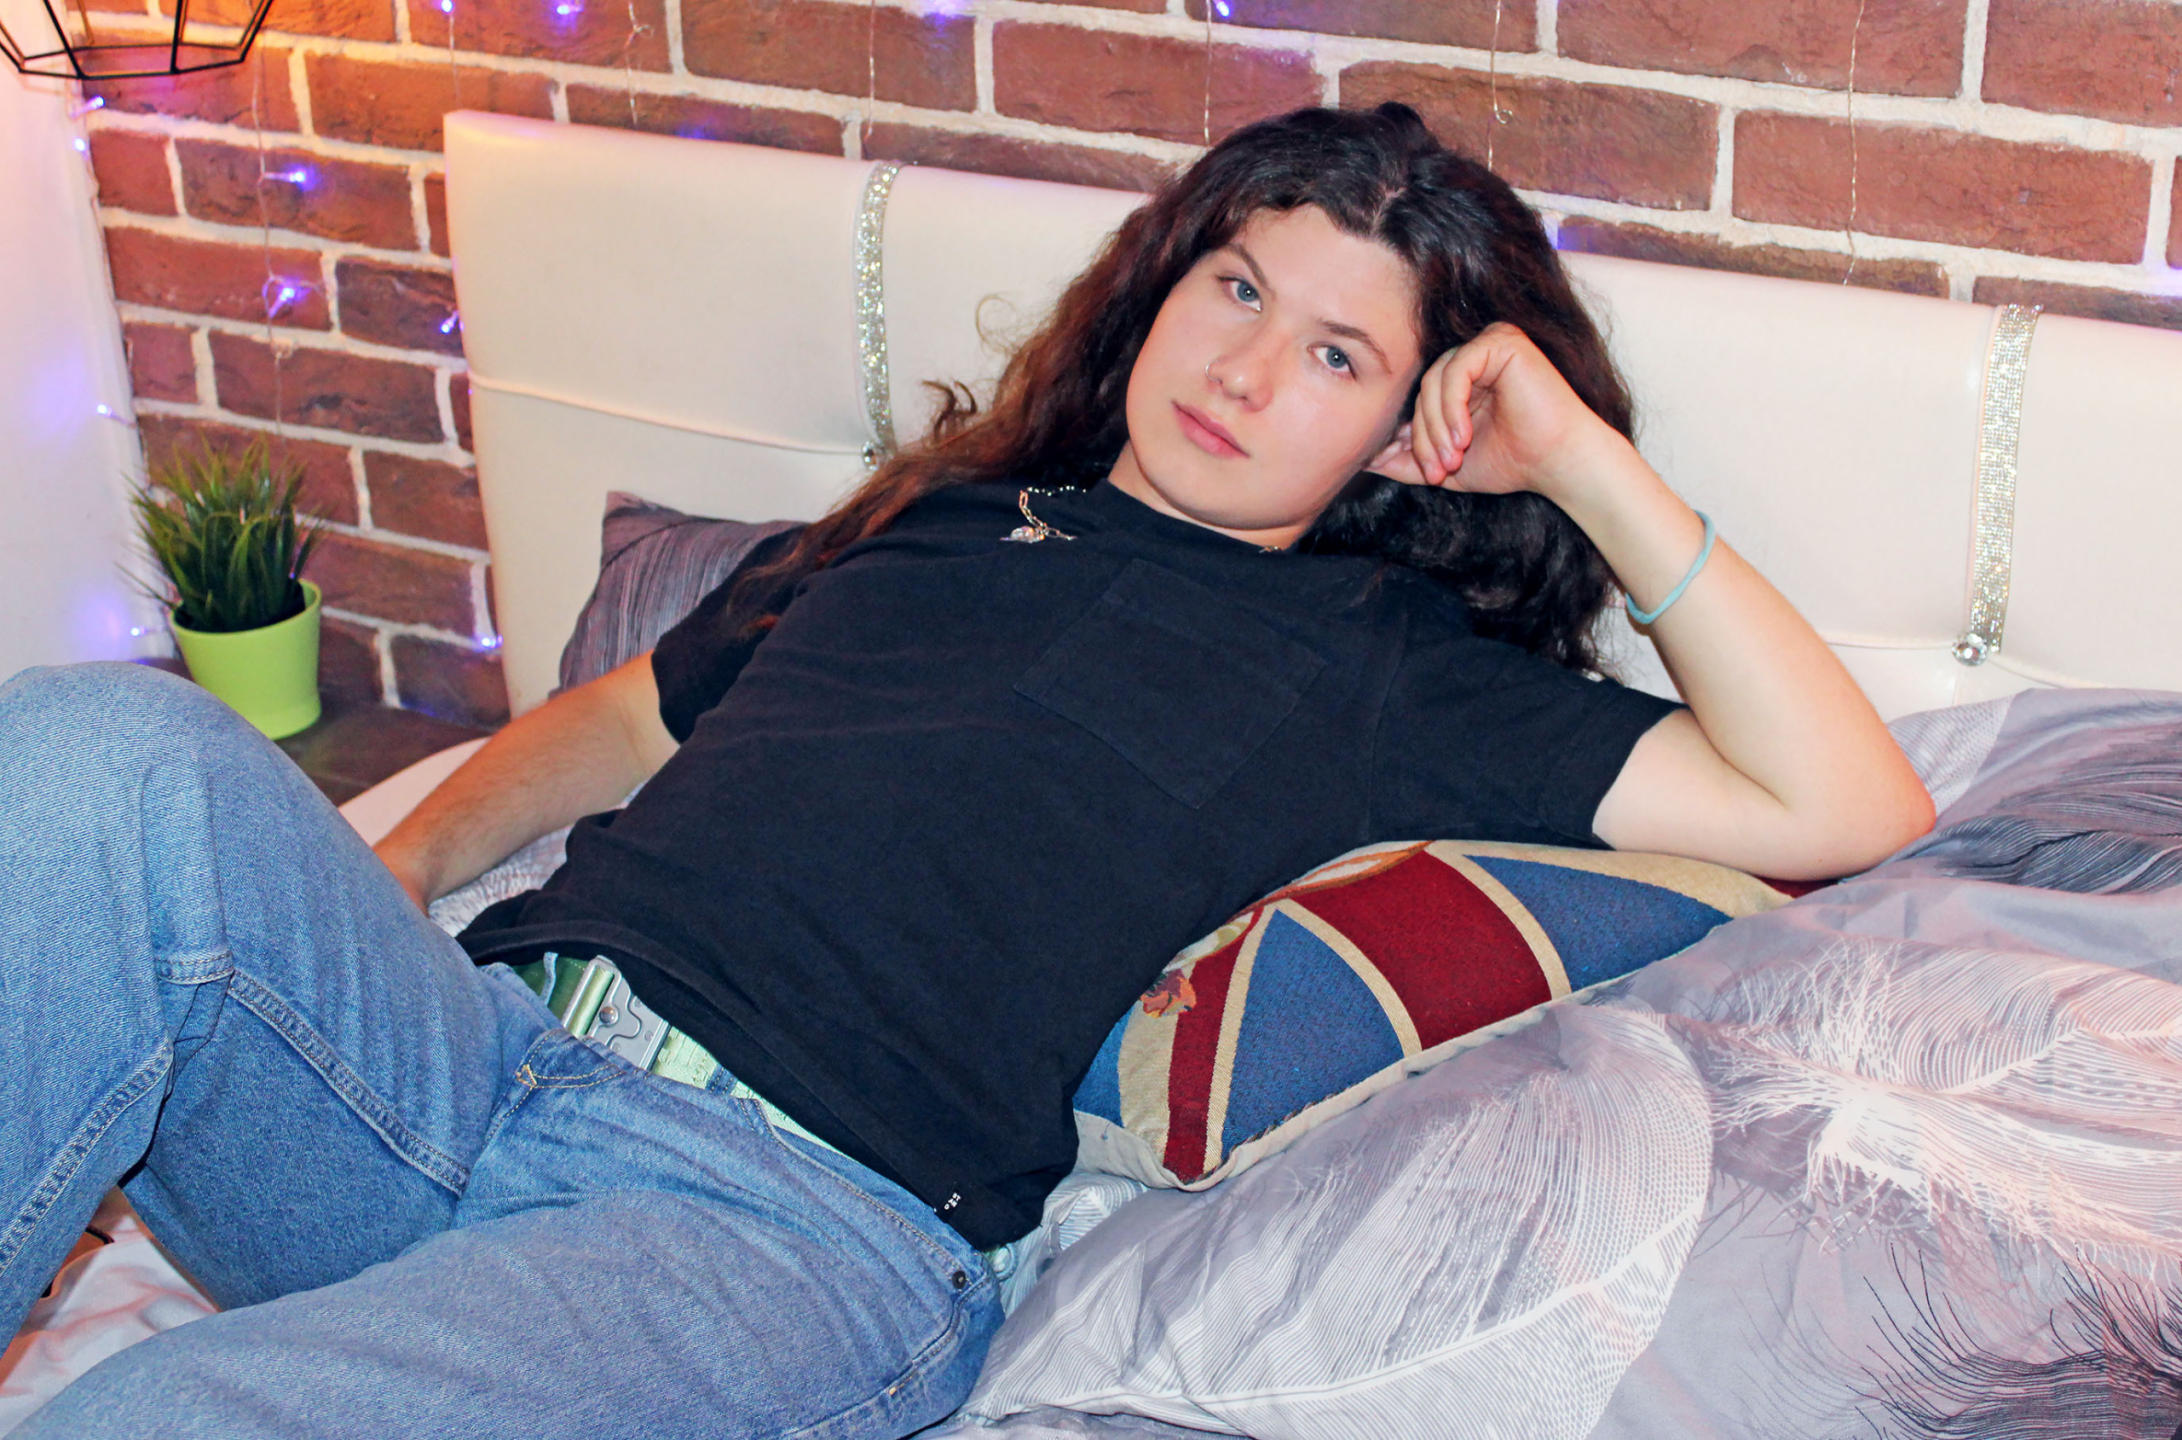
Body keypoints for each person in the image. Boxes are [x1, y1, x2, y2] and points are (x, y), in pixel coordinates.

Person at [0, 103, 1933, 1438]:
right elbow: (630, 720)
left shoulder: (1379, 664)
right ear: (1162, 279)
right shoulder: (937, 518)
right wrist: (406, 873)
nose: (1246, 369)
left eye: (1340, 357)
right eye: (1238, 287)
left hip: (770, 1225)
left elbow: (1841, 806)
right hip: (464, 1067)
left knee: (153, 1418)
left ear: (1403, 432)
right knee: (108, 739)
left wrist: (1581, 460)